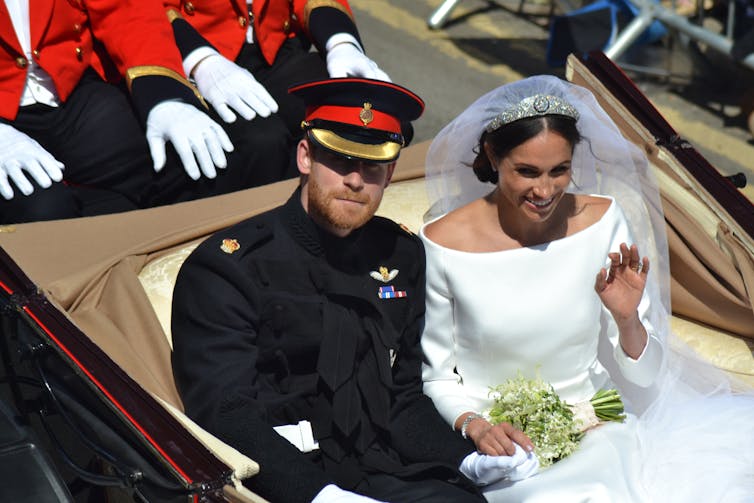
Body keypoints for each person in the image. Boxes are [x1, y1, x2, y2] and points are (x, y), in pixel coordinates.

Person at [170, 77, 540, 503]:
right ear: (306, 156)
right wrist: (320, 495)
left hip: (384, 470)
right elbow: (228, 415)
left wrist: (465, 461)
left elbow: (401, 400)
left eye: (372, 166)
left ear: (391, 172)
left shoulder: (401, 255)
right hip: (282, 483)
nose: (355, 180)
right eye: (341, 160)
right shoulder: (228, 267)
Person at [419, 75, 754, 502]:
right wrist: (477, 427)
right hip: (502, 452)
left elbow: (645, 375)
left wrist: (627, 318)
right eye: (527, 172)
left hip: (598, 432)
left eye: (559, 171)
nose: (545, 191)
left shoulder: (604, 221)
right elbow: (437, 377)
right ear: (492, 155)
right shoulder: (441, 243)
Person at [0, 0, 280, 224]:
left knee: (194, 163)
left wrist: (164, 95)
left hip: (69, 87)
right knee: (44, 212)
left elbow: (124, 10)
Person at [161, 0, 389, 158]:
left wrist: (341, 42)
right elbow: (150, 9)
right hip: (199, 50)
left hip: (276, 48)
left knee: (370, 119)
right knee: (263, 143)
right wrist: (201, 60)